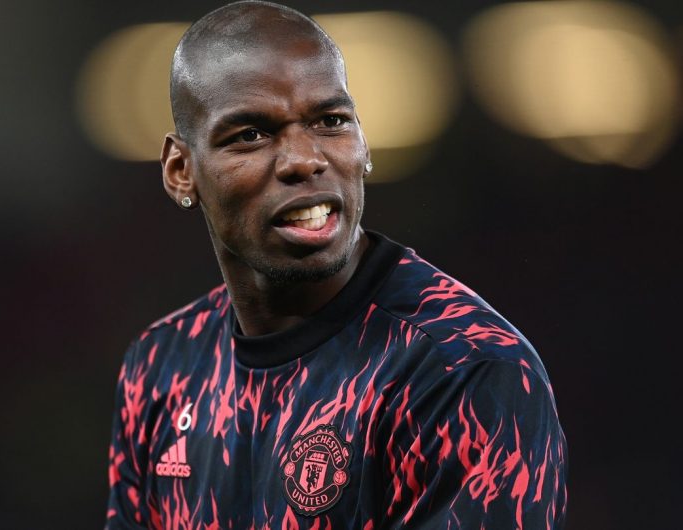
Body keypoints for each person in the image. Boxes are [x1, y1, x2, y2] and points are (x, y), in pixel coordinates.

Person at [106, 1, 568, 528]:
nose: (305, 159)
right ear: (180, 170)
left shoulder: (461, 369)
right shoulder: (160, 366)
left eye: (330, 122)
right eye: (251, 134)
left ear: (363, 143)